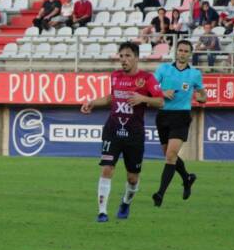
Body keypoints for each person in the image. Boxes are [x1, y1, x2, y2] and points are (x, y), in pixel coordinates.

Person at [80, 41, 164, 222]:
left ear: (136, 58)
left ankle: (126, 202)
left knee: (132, 178)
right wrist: (93, 102)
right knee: (107, 169)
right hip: (113, 129)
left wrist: (142, 98)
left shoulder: (147, 79)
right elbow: (112, 97)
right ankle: (102, 212)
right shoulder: (116, 76)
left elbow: (161, 101)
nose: (124, 60)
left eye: (128, 56)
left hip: (134, 134)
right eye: (121, 56)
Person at [151, 40, 207, 207]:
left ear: (190, 54)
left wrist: (201, 98)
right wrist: (162, 92)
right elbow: (151, 87)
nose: (182, 53)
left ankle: (160, 194)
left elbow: (203, 95)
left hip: (181, 116)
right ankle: (187, 178)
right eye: (180, 50)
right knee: (170, 154)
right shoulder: (164, 69)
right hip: (163, 115)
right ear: (176, 52)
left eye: (186, 51)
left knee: (170, 156)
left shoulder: (195, 74)